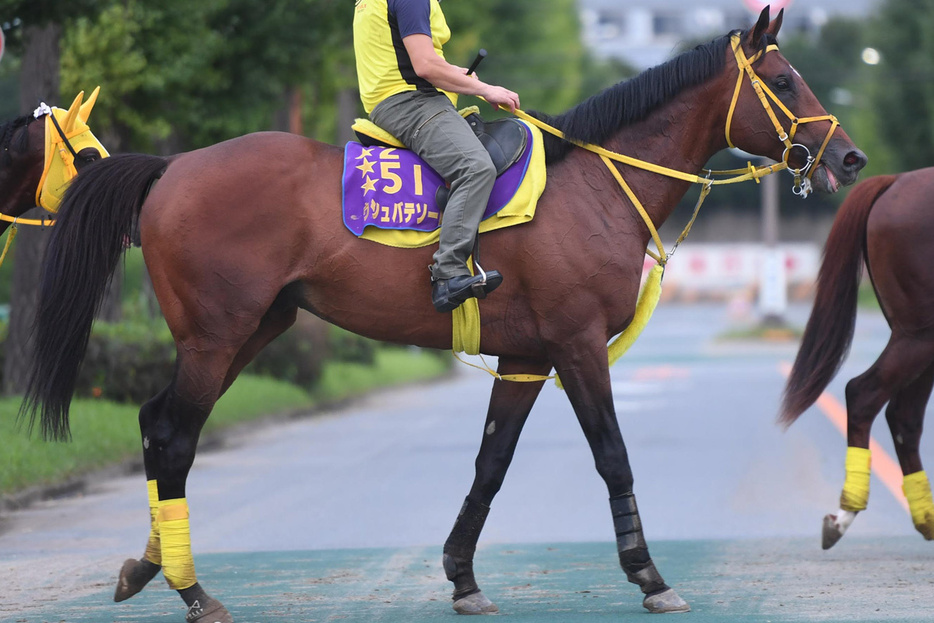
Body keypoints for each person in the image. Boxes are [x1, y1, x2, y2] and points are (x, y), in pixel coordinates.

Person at [353, 0, 521, 313]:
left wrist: (453, 73)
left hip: (397, 98)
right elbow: (424, 66)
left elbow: (406, 58)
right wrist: (484, 89)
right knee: (475, 168)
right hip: (411, 103)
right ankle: (449, 273)